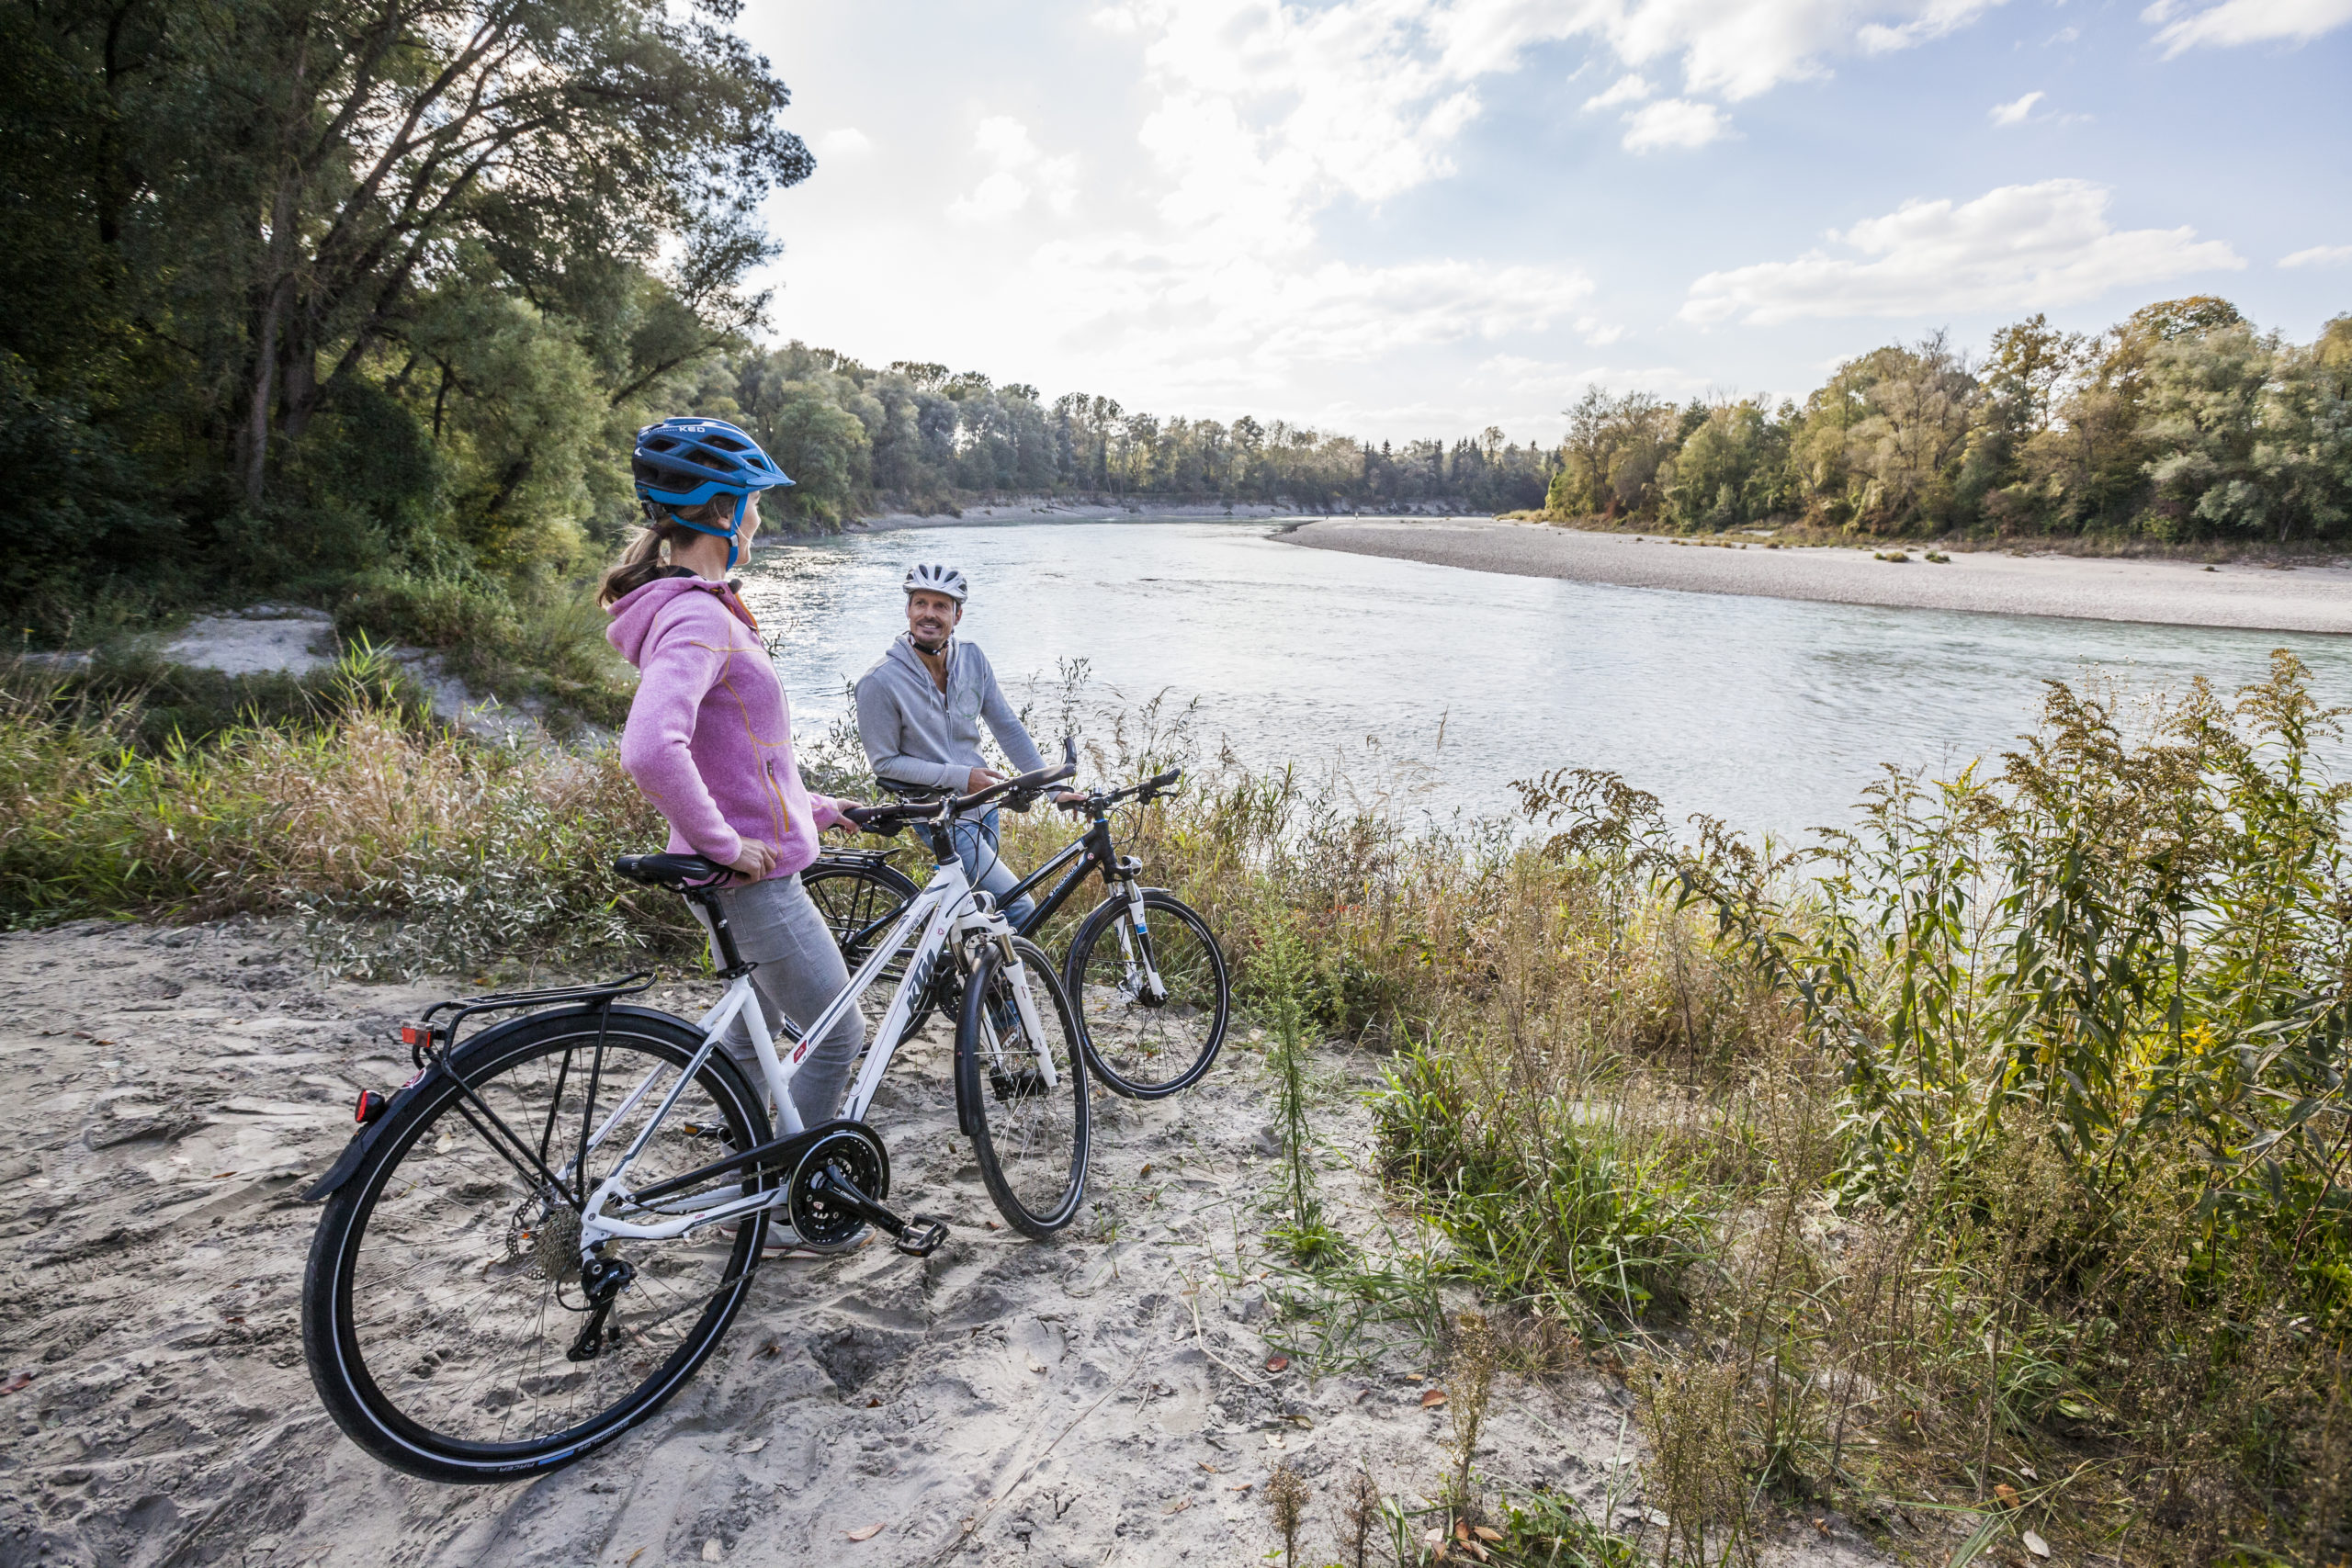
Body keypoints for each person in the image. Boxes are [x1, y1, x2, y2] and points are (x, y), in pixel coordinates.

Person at [602, 417, 867, 1232]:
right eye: (752, 503)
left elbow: (736, 750)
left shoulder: (700, 607)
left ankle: (744, 1173)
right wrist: (726, 844)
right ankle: (793, 1204)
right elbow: (651, 748)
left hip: (738, 869)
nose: (759, 518)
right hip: (751, 883)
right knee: (836, 1033)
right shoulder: (701, 616)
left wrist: (816, 807)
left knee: (759, 1036)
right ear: (722, 512)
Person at [854, 563, 1055, 929]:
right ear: (908, 610)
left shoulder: (973, 659)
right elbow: (885, 763)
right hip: (936, 813)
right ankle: (999, 985)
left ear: (957, 615)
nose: (929, 614)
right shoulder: (879, 681)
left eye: (941, 606)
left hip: (982, 806)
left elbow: (1007, 727)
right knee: (1019, 907)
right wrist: (963, 777)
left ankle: (960, 981)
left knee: (979, 910)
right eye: (920, 603)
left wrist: (1055, 787)